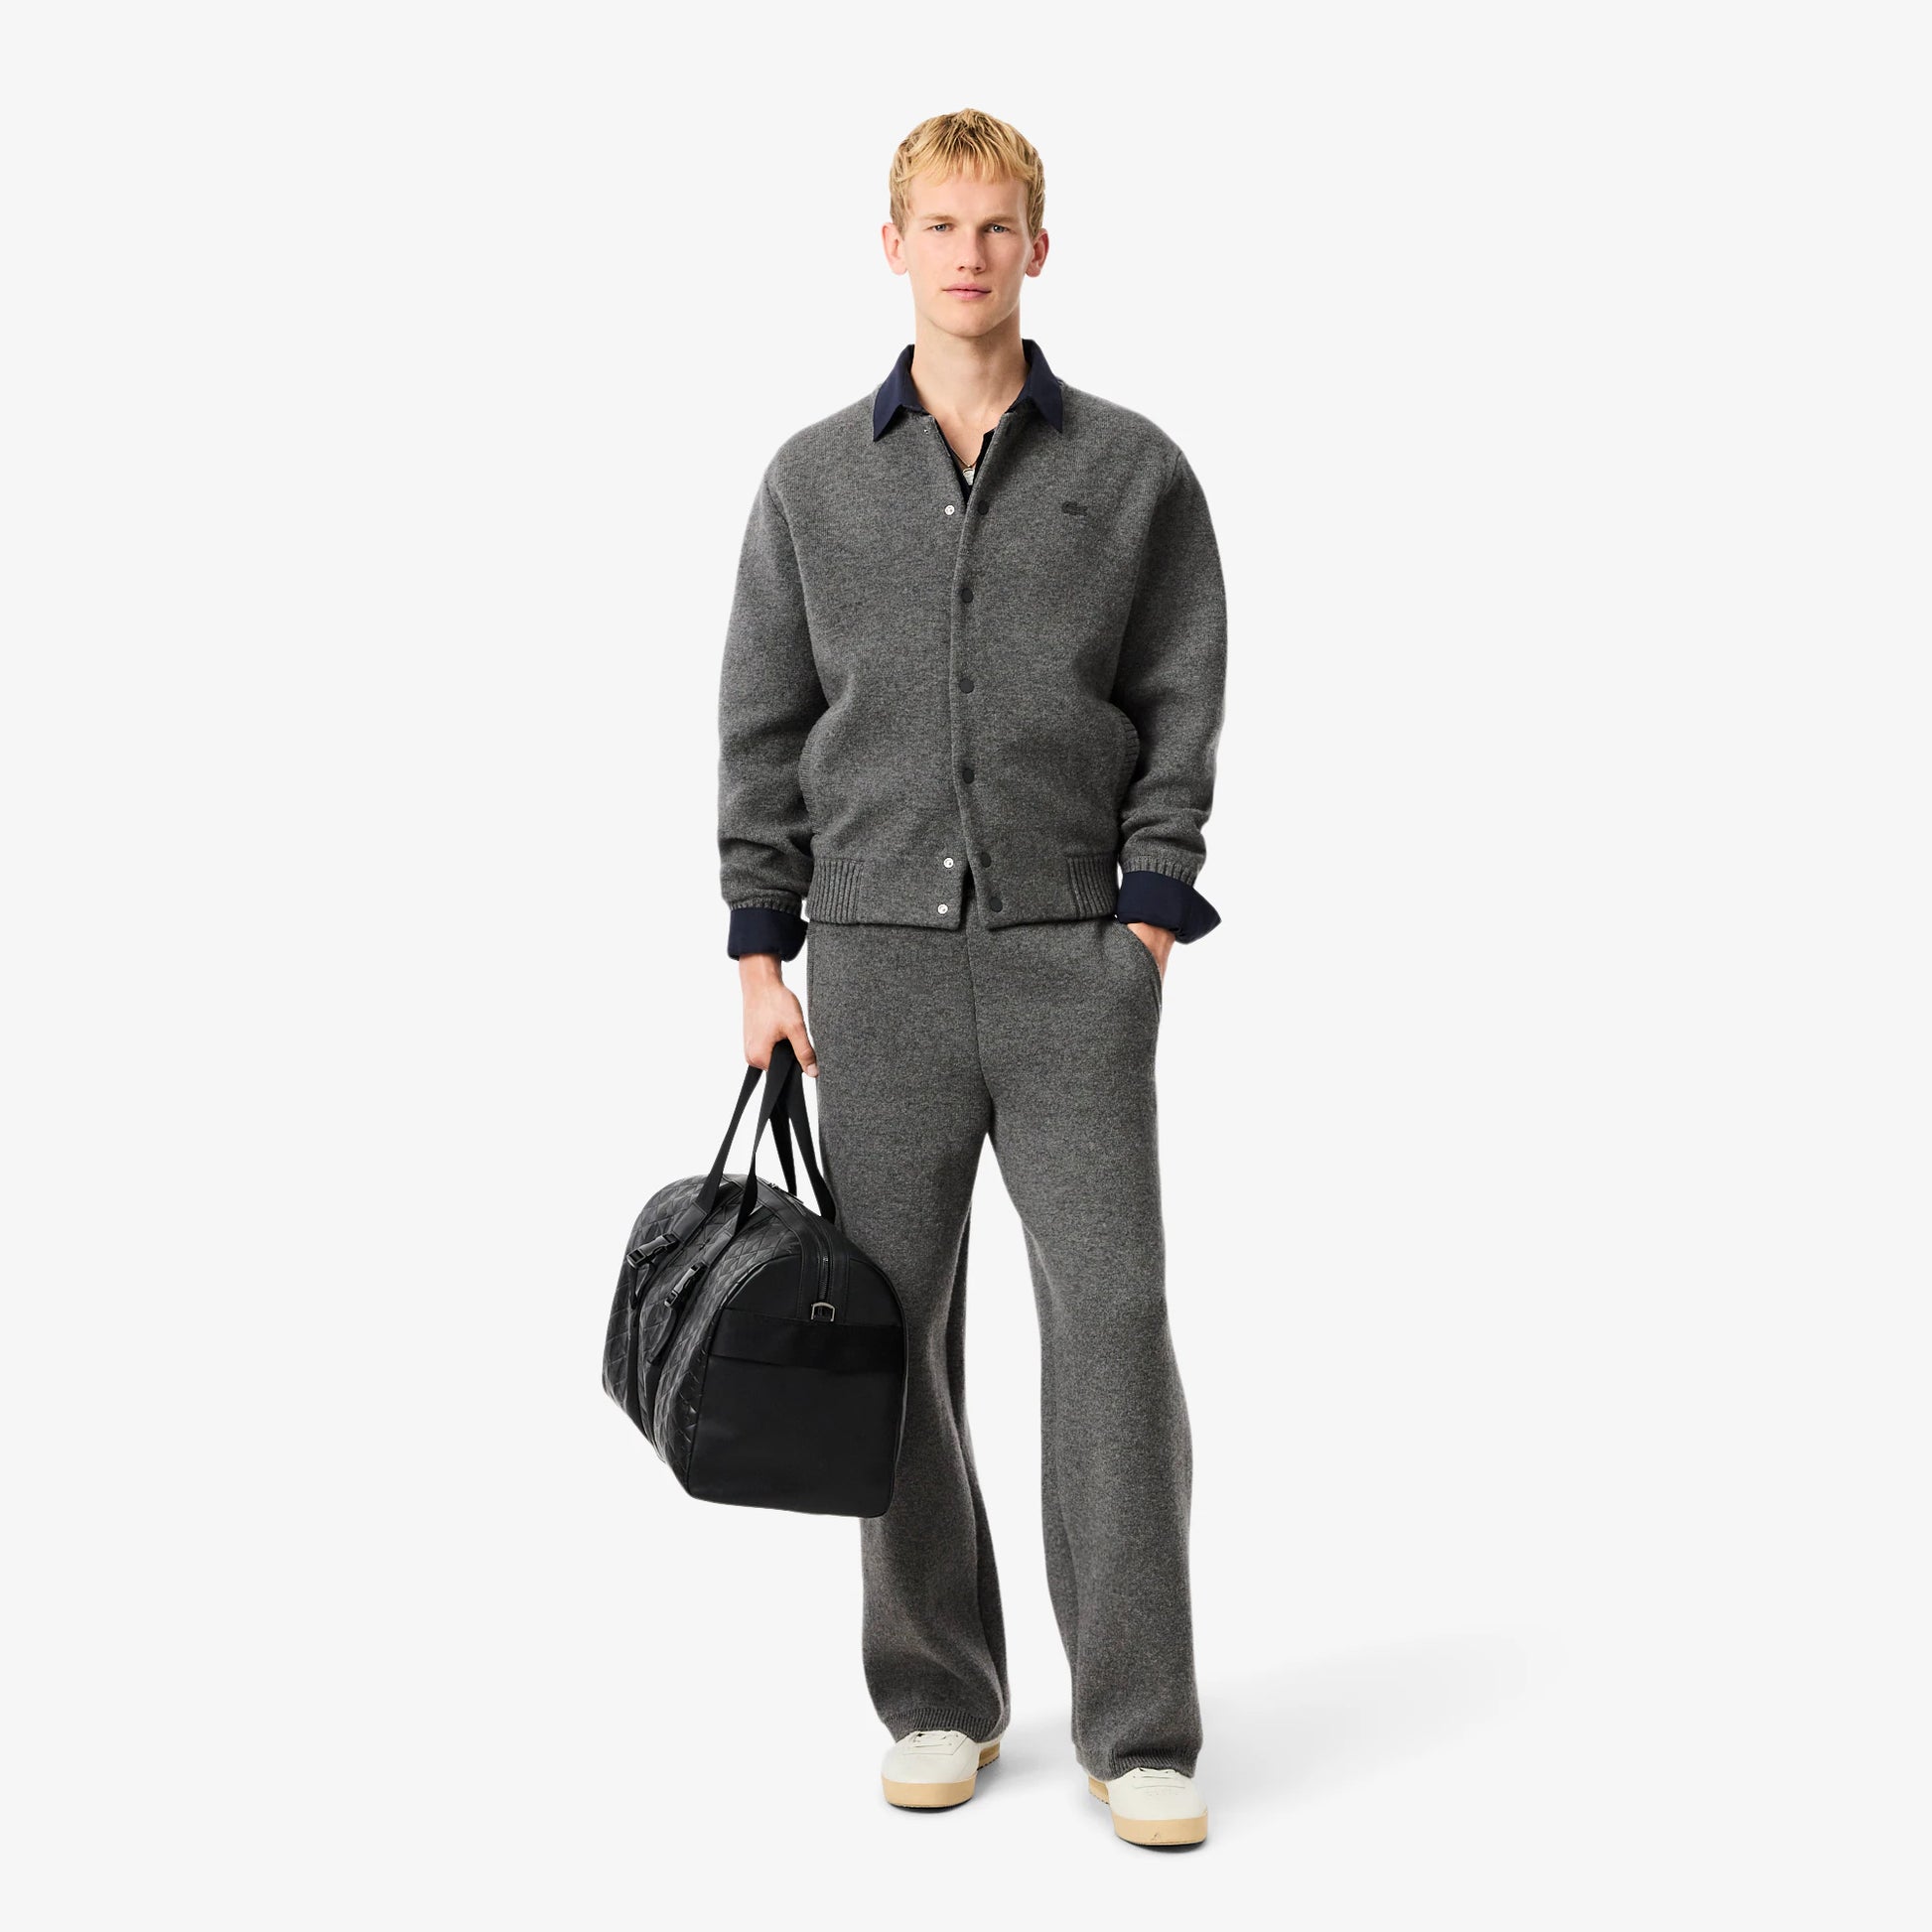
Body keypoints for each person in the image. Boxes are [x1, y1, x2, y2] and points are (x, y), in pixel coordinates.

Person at [715, 107, 1227, 1849]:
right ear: (892, 247)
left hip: (1073, 961)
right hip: (872, 966)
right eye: (939, 224)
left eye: (996, 224)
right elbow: (762, 723)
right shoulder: (809, 480)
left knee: (1115, 1323)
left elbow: (1178, 693)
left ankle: (1140, 1725)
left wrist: (1141, 919)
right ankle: (935, 1691)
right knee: (895, 1336)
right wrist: (760, 951)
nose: (968, 252)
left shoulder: (1131, 471)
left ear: (1037, 248)